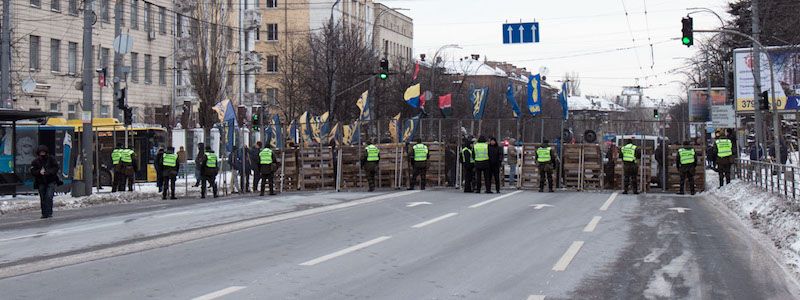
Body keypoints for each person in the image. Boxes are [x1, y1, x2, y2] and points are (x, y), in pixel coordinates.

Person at [31, 145, 60, 219]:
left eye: (43, 152)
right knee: (43, 198)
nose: (42, 154)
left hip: (51, 180)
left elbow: (56, 167)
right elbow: (32, 171)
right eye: (41, 152)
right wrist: (39, 172)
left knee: (49, 196)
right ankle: (44, 213)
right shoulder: (35, 161)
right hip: (41, 181)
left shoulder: (51, 159)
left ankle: (49, 212)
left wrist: (48, 172)